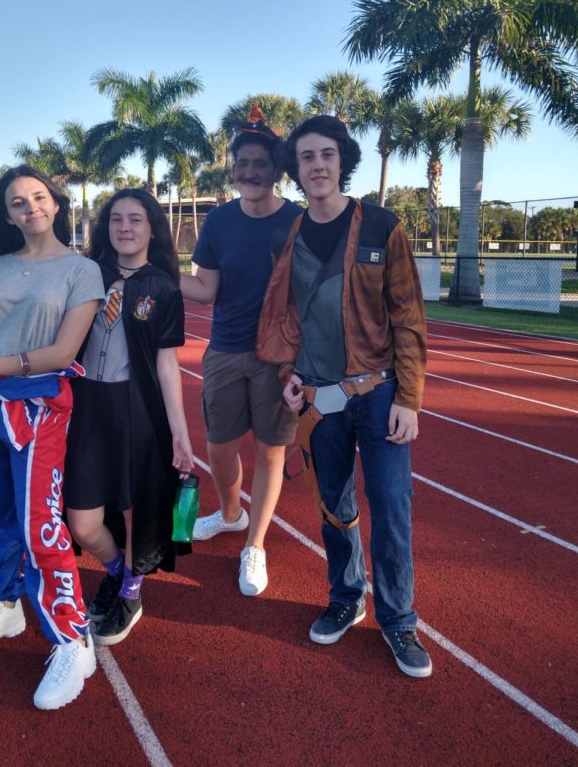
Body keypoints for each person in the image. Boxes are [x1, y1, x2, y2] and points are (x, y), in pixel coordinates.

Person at [256, 115, 432, 678]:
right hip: (318, 396)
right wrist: (290, 371)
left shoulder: (382, 226)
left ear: (342, 160)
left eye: (326, 154)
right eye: (306, 157)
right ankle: (346, 594)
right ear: (296, 169)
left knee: (390, 505)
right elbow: (287, 313)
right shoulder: (289, 235)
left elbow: (408, 317)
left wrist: (409, 395)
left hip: (378, 393)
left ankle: (399, 619)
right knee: (334, 506)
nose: (317, 165)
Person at [0, 165, 105, 710]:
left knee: (40, 526)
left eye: (38, 197)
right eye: (17, 202)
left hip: (41, 408)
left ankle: (73, 637)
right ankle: (5, 606)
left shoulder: (82, 271)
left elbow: (62, 354)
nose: (30, 207)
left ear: (55, 204)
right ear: (6, 214)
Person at [180, 105, 302, 596]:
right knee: (218, 446)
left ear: (276, 170)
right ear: (233, 169)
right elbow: (206, 289)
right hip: (226, 349)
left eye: (260, 164)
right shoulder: (218, 222)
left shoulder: (298, 220)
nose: (249, 172)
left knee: (271, 453)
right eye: (242, 164)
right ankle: (231, 515)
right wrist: (148, 271)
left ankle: (255, 544)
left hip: (279, 355)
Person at [64, 189, 194, 646]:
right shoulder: (87, 273)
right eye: (116, 218)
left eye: (135, 219)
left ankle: (132, 592)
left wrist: (180, 433)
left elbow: (167, 363)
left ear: (152, 228)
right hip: (84, 406)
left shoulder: (162, 287)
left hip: (137, 409)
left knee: (139, 504)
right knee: (82, 519)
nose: (125, 227)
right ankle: (118, 570)